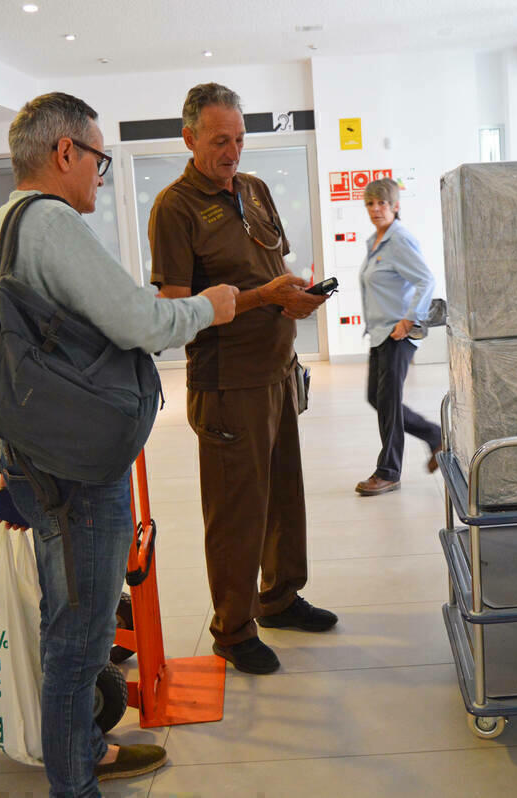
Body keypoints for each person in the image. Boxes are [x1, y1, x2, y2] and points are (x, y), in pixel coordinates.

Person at [0, 92, 238, 798]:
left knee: (71, 616)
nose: (98, 174)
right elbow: (138, 319)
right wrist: (211, 307)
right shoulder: (50, 223)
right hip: (79, 468)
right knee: (78, 639)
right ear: (65, 154)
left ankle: (86, 747)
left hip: (32, 456)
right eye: (97, 159)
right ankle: (75, 782)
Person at [149, 82, 337, 676]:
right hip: (229, 384)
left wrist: (294, 297)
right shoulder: (174, 208)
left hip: (277, 369)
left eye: (239, 139)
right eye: (219, 141)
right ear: (189, 138)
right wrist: (263, 297)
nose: (232, 152)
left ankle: (278, 596)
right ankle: (232, 628)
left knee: (283, 495)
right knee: (237, 511)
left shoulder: (252, 189)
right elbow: (176, 307)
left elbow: (274, 266)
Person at [354, 178, 443, 497]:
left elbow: (426, 280)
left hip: (398, 333)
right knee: (376, 399)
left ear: (395, 206)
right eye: (370, 203)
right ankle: (435, 434)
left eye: (381, 203)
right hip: (380, 333)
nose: (375, 209)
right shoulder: (375, 241)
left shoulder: (400, 239)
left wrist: (409, 320)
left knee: (388, 402)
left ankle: (388, 472)